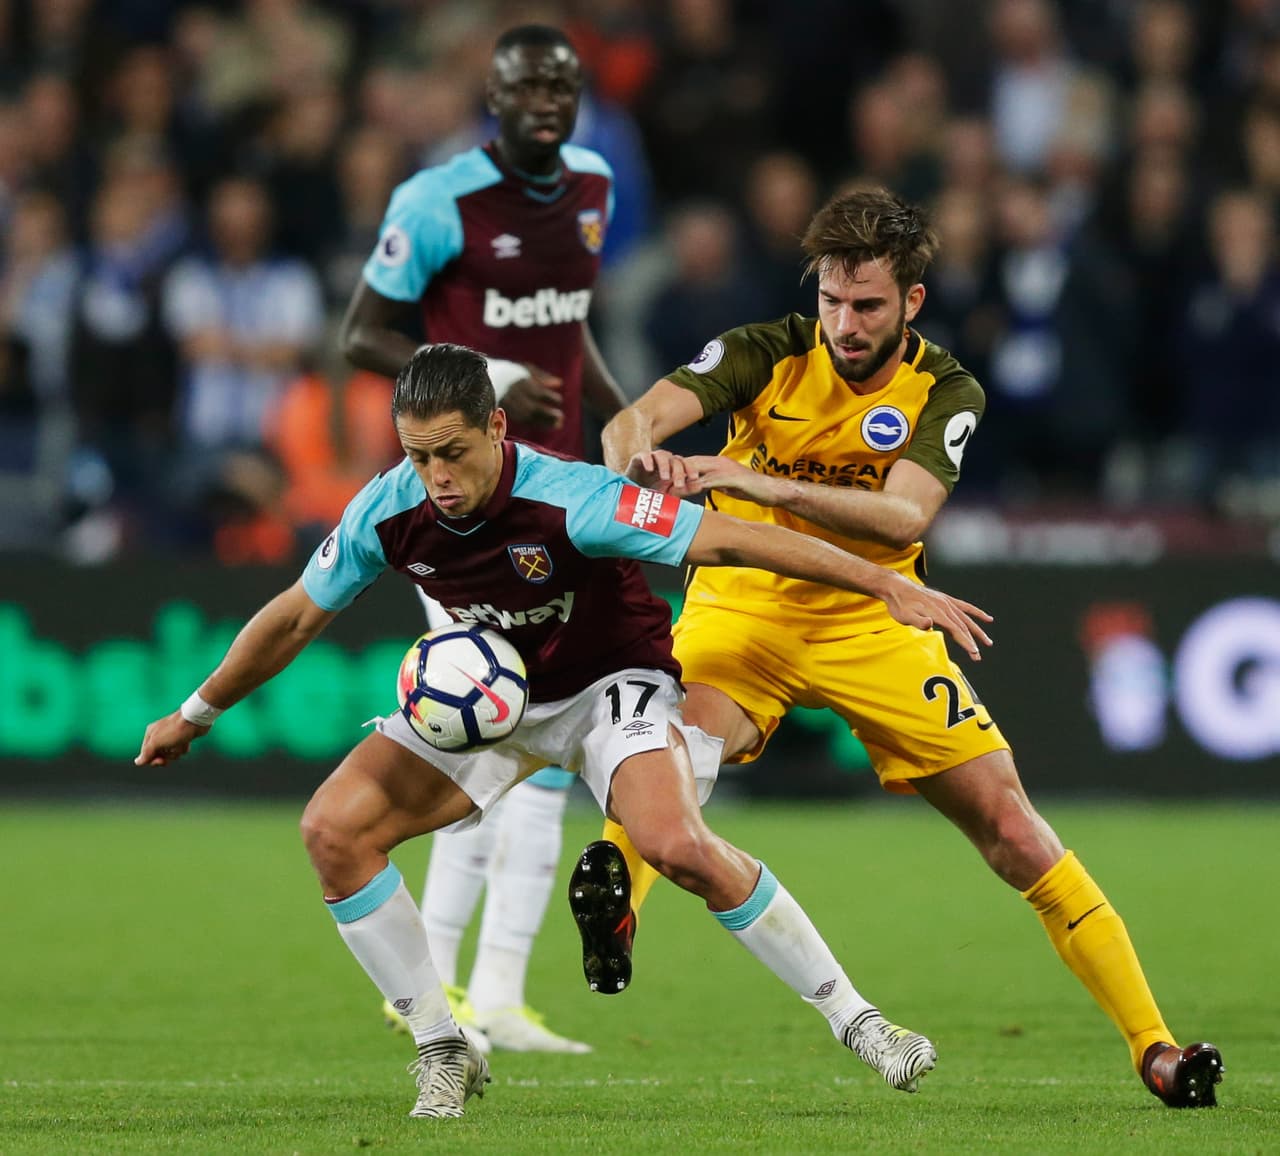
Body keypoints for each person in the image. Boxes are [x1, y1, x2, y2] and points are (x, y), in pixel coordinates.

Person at [134, 342, 996, 1119]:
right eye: (418, 455)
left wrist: (885, 586)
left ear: (497, 428)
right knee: (332, 831)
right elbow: (293, 617)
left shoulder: (575, 499)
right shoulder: (388, 510)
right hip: (488, 698)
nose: (436, 475)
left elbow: (735, 543)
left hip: (605, 688)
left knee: (675, 846)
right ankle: (444, 1047)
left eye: (454, 452)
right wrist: (195, 713)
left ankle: (860, 1021)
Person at [590, 187, 1225, 1110]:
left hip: (874, 617)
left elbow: (901, 516)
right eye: (834, 302)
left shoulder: (946, 389)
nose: (845, 324)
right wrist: (640, 466)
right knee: (681, 749)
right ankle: (617, 915)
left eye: (869, 307)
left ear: (912, 303)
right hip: (746, 603)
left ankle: (1155, 1049)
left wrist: (749, 476)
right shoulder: (762, 349)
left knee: (1013, 829)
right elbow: (627, 424)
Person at [336, 24, 630, 1053]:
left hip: (562, 496)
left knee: (542, 753)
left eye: (562, 84)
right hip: (467, 501)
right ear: (491, 97)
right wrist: (489, 381)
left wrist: (621, 413)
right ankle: (441, 983)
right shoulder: (434, 201)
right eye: (524, 85)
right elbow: (362, 334)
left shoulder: (592, 186)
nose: (546, 99)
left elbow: (569, 318)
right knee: (488, 732)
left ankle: (497, 992)